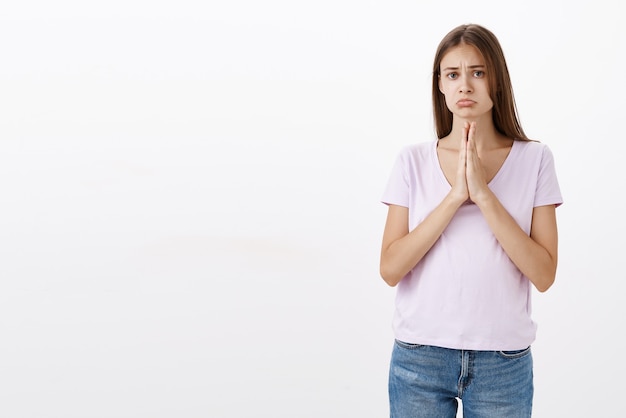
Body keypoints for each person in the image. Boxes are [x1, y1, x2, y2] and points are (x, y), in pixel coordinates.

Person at [379, 23, 562, 418]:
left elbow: (544, 274)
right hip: (419, 358)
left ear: (497, 81)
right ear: (441, 86)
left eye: (477, 72)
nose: (465, 85)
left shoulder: (535, 160)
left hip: (503, 362)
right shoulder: (412, 161)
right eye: (453, 74)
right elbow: (391, 268)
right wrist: (455, 196)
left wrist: (483, 194)